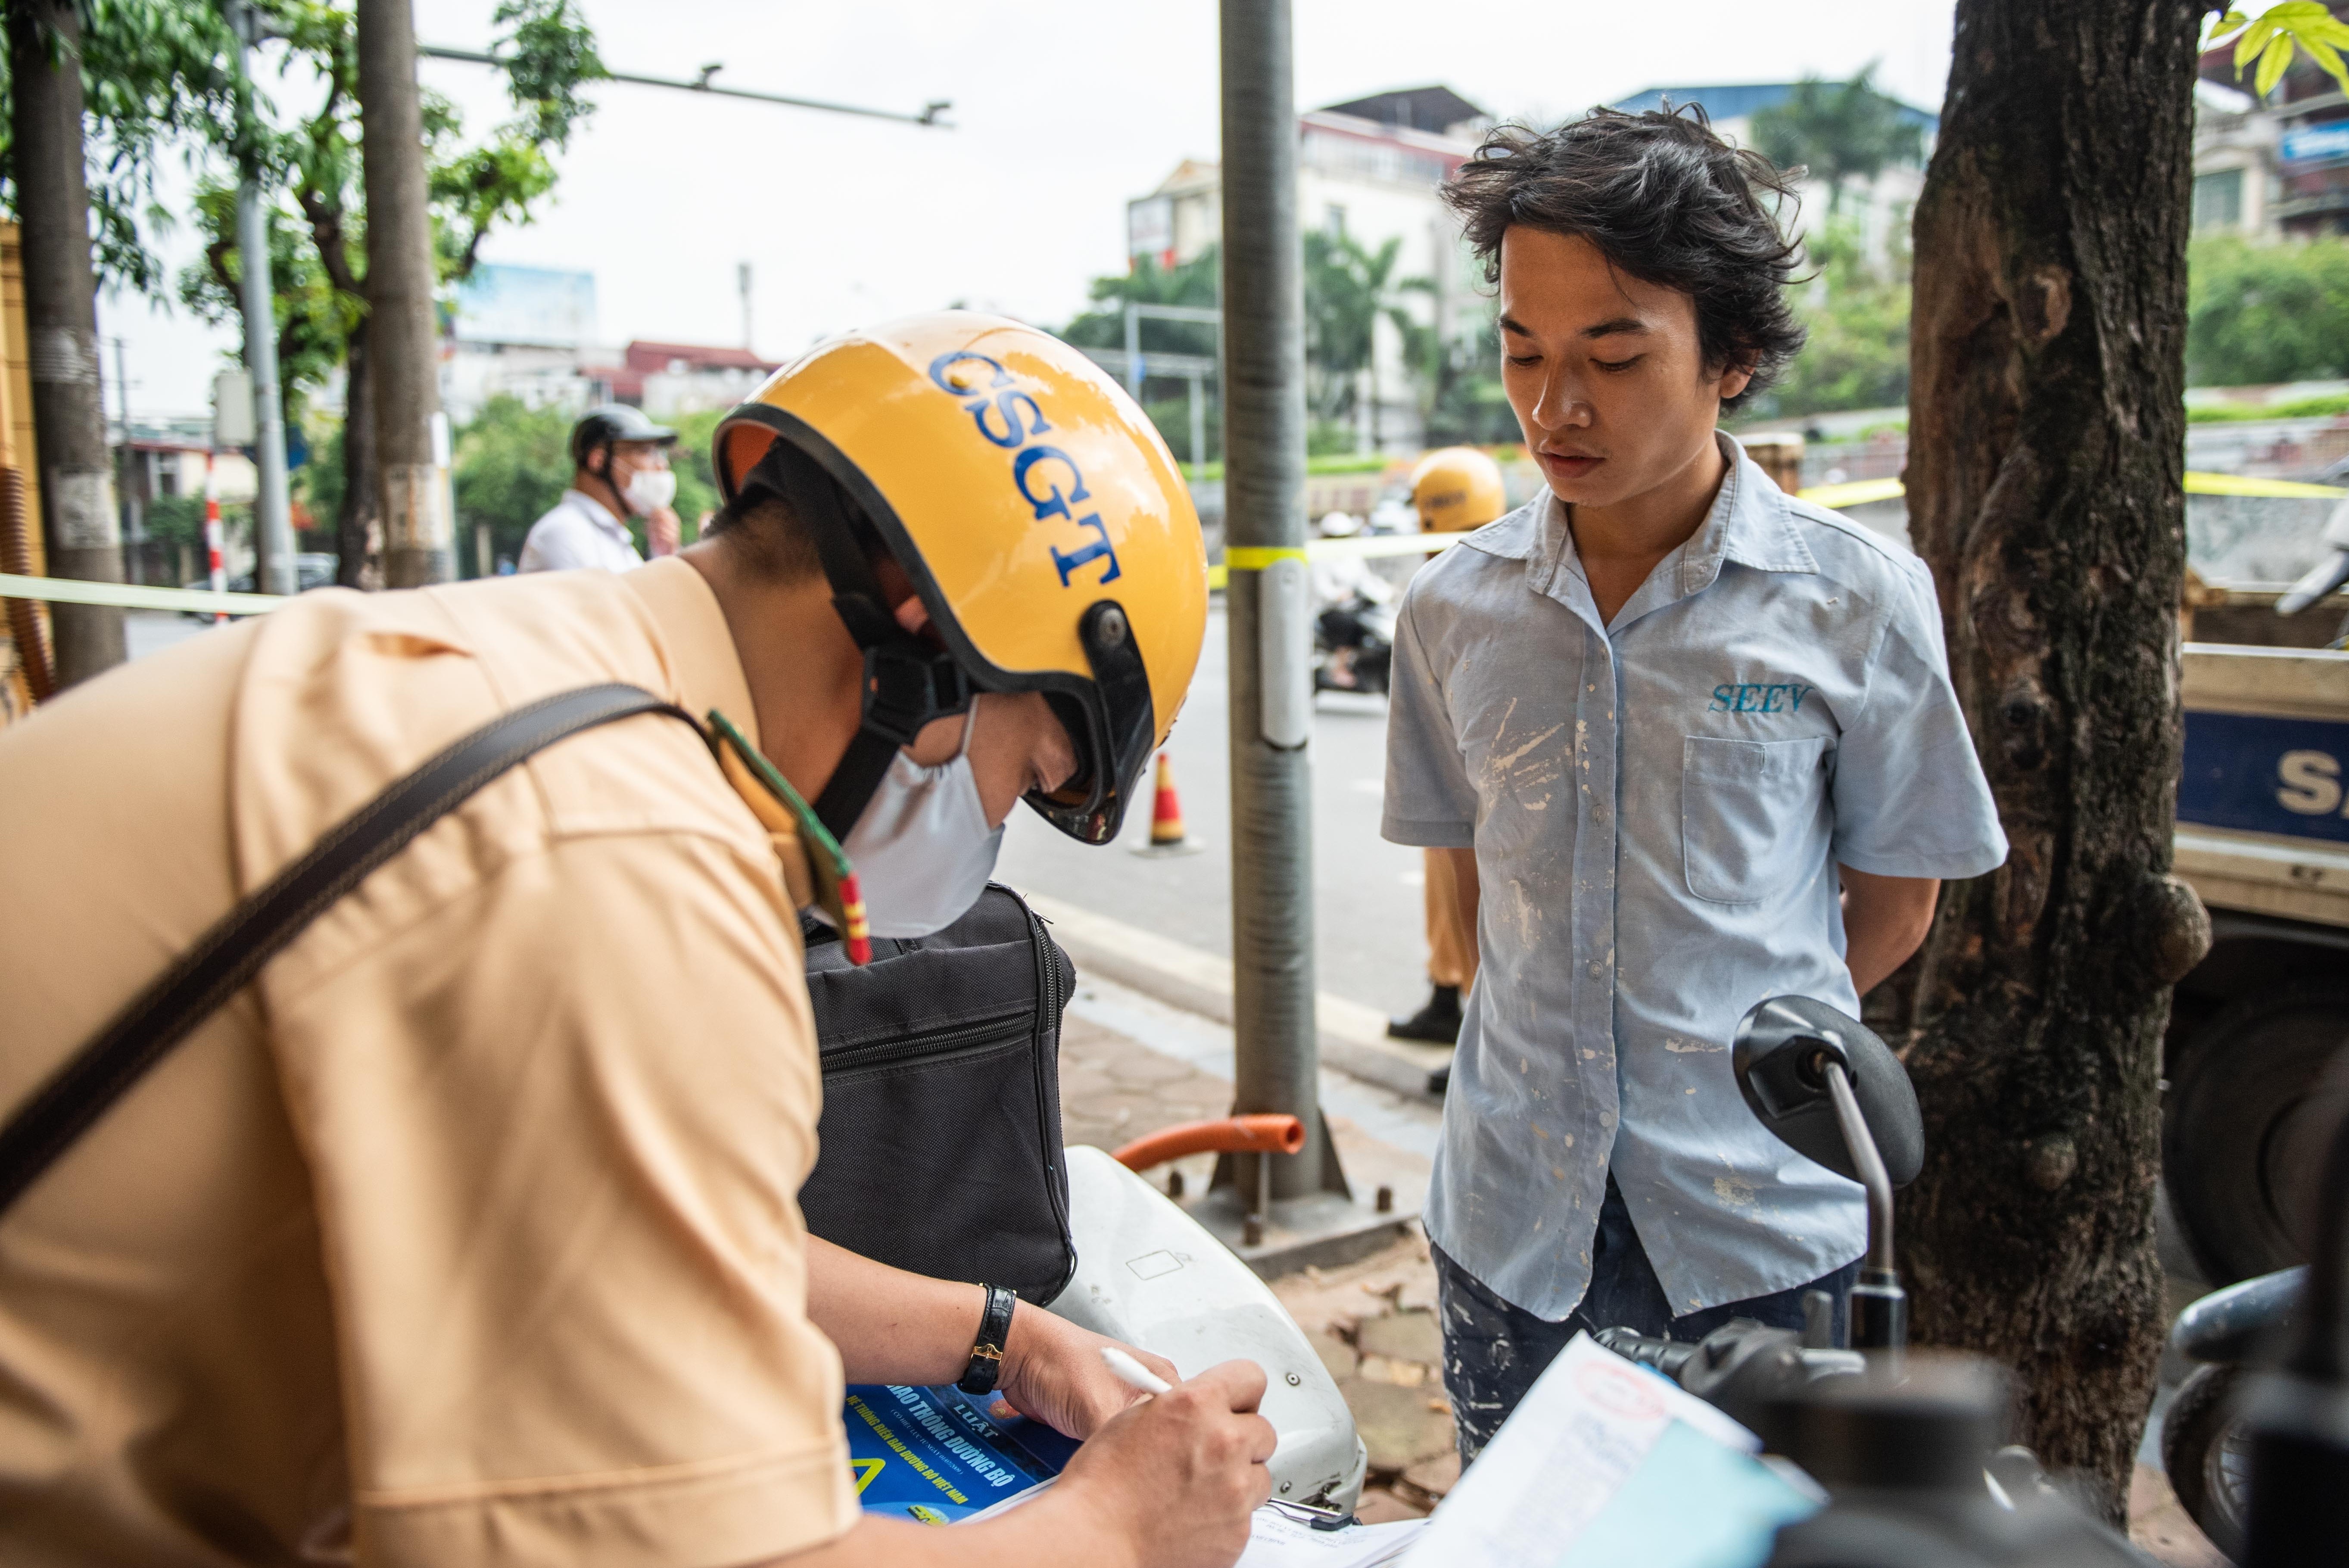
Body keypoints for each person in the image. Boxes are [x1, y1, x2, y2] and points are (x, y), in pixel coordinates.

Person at [0, 313, 1274, 1567]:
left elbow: (648, 1236)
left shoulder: (536, 666)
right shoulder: (633, 858)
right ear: (917, 629)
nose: (988, 824)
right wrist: (1116, 1526)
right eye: (1018, 772)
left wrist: (1005, 1335)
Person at [1380, 109, 2007, 1462]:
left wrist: (1720, 1054)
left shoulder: (1854, 602)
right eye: (1521, 351)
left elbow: (1889, 908)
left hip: (1755, 1229)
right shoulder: (1449, 608)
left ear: (1726, 358)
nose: (1555, 406)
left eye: (1611, 353)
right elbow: (1482, 883)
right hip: (1507, 1226)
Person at [1385, 448, 1508, 1058]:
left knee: (1478, 895)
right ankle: (1447, 1001)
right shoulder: (1446, 586)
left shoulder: (1486, 585)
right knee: (1446, 885)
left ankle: (1477, 1032)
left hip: (1487, 780)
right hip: (1459, 764)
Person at [517, 403, 686, 572]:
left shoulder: (615, 539)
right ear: (599, 461)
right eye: (647, 452)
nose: (662, 465)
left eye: (660, 454)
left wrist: (664, 557)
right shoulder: (564, 533)